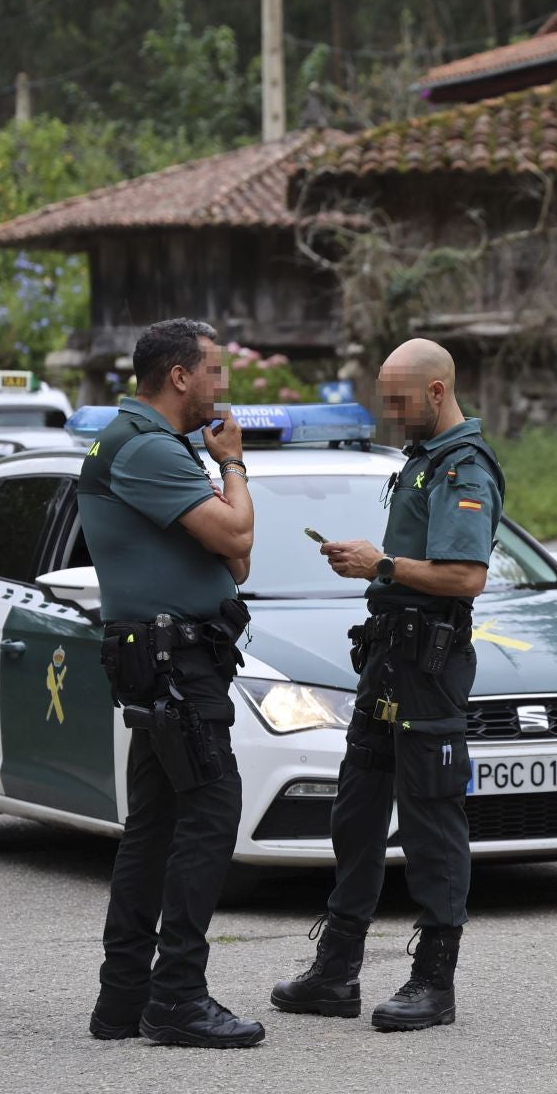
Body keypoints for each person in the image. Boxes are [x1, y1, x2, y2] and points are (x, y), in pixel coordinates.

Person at [271, 337, 504, 1032]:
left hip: (428, 670)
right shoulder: (421, 462)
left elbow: (466, 578)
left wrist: (383, 565)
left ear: (436, 392)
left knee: (432, 820)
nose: (389, 412)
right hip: (387, 663)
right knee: (357, 811)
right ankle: (337, 970)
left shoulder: (465, 467)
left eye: (399, 400)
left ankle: (434, 981)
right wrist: (373, 565)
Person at [78, 318, 265, 1049]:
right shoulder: (148, 448)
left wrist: (224, 511)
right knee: (213, 813)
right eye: (214, 370)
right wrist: (236, 467)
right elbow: (239, 539)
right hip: (173, 661)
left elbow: (232, 560)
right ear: (180, 376)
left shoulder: (142, 444)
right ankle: (179, 993)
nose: (223, 385)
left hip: (162, 656)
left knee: (153, 830)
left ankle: (123, 997)